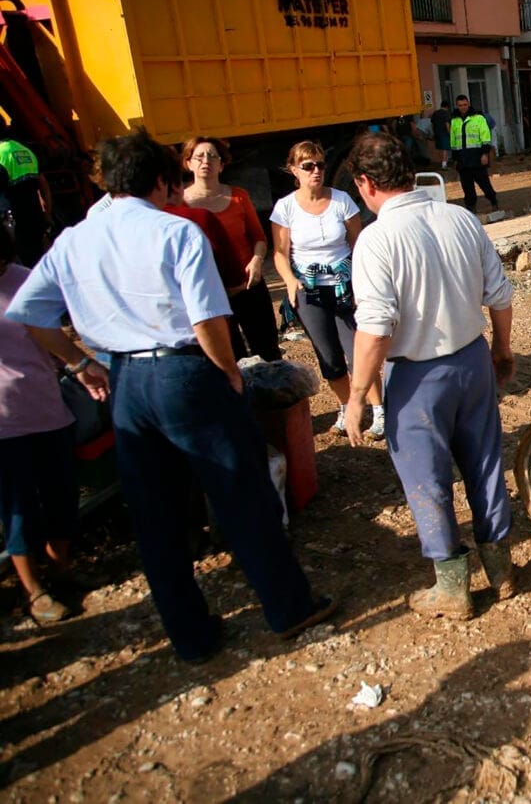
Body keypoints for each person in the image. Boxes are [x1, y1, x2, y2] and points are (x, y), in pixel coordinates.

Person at [7, 128, 336, 663]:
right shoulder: (176, 234)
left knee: (155, 514)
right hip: (185, 372)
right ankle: (288, 607)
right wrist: (229, 372)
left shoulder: (72, 239)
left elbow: (29, 314)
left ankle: (190, 635)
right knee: (241, 493)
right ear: (161, 180)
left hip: (124, 382)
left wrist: (81, 363)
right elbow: (208, 318)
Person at [343, 132, 516, 621]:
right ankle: (501, 570)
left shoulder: (376, 239)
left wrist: (358, 395)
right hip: (472, 360)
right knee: (485, 464)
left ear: (364, 183)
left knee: (428, 477)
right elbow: (500, 295)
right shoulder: (459, 217)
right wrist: (501, 351)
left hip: (418, 377)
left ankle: (452, 587)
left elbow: (375, 328)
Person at [269, 141, 386, 438]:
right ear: (294, 170)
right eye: (308, 166)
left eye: (320, 164)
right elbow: (280, 253)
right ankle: (347, 407)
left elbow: (358, 242)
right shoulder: (285, 208)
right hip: (309, 292)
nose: (316, 171)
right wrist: (291, 282)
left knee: (358, 351)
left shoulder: (342, 200)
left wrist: (359, 281)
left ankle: (379, 410)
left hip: (345, 287)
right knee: (329, 357)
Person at [0, 225, 82, 623]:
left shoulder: (24, 279)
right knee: (18, 508)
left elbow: (55, 334)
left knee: (62, 495)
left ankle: (61, 567)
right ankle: (33, 590)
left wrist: (81, 366)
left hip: (47, 407)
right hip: (4, 422)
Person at [182, 137, 282, 362]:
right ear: (188, 163)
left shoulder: (238, 196)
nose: (205, 161)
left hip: (249, 286)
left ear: (222, 164)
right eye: (199, 156)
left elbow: (258, 237)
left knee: (268, 352)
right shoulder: (180, 204)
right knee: (230, 355)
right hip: (211, 294)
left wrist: (257, 260)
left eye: (212, 156)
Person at [0, 120, 54, 267]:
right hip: (35, 219)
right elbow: (42, 183)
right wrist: (47, 213)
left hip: (14, 226)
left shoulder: (1, 154)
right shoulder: (25, 150)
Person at [448, 95, 499, 214]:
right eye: (460, 105)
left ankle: (493, 201)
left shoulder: (478, 118)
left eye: (465, 105)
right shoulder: (454, 120)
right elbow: (453, 141)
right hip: (462, 159)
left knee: (484, 184)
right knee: (467, 187)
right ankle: (471, 208)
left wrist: (485, 154)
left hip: (477, 157)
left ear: (468, 104)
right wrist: (455, 159)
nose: (463, 107)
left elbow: (485, 137)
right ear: (457, 106)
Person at [432, 101, 453, 170]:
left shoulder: (435, 113)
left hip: (437, 133)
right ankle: (444, 165)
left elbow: (432, 124)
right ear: (447, 107)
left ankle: (441, 163)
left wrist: (433, 132)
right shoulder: (446, 113)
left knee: (440, 148)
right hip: (444, 133)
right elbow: (447, 124)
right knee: (445, 149)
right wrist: (450, 133)